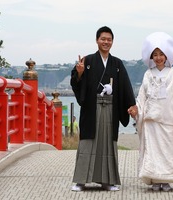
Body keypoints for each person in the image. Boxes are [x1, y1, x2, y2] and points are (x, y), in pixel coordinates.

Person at [70, 26, 137, 192]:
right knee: (87, 143)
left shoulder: (117, 64)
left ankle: (107, 181)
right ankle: (81, 181)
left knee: (107, 143)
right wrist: (79, 73)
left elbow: (125, 87)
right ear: (97, 40)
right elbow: (76, 83)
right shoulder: (88, 61)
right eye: (103, 39)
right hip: (91, 108)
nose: (106, 42)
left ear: (112, 42)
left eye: (109, 39)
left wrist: (131, 105)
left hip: (111, 109)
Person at [134, 32, 173, 191]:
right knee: (153, 151)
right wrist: (138, 110)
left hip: (167, 118)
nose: (158, 58)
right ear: (151, 57)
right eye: (155, 54)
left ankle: (166, 180)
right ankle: (154, 179)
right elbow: (142, 96)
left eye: (161, 54)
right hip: (151, 119)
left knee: (167, 150)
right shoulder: (148, 74)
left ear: (166, 56)